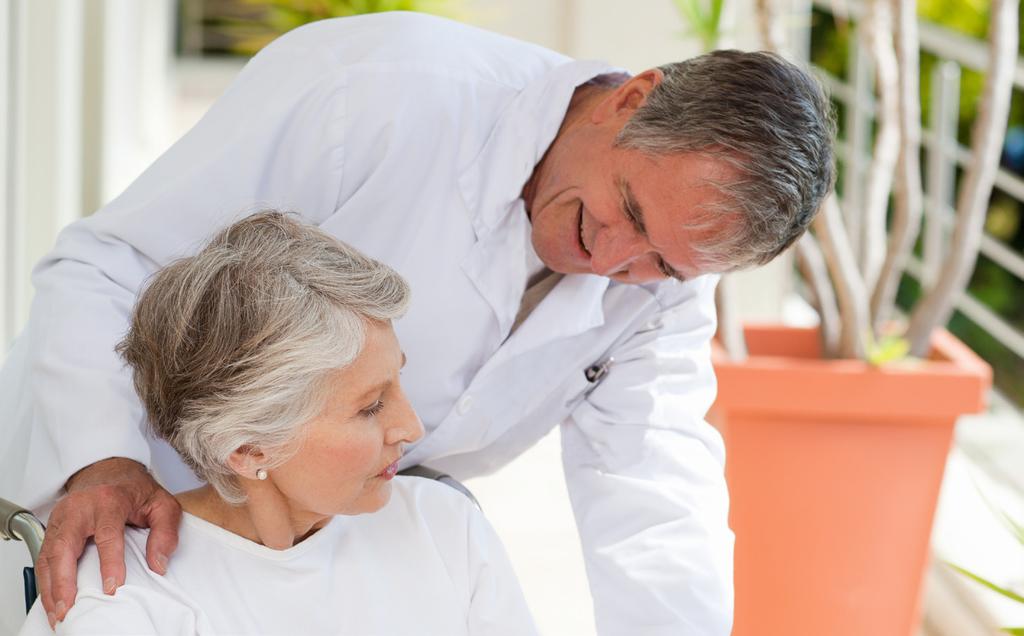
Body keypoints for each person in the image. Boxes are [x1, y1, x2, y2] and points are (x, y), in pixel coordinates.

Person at [0, 11, 835, 635]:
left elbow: (654, 492)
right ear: (632, 99)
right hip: (133, 501)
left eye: (662, 263)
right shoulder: (383, 92)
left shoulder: (666, 279)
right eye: (625, 210)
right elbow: (106, 264)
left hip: (339, 526)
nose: (614, 264)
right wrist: (101, 462)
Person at [16, 212, 539, 635]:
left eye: (398, 383)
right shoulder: (127, 596)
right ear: (248, 448)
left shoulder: (444, 528)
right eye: (371, 406)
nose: (412, 427)